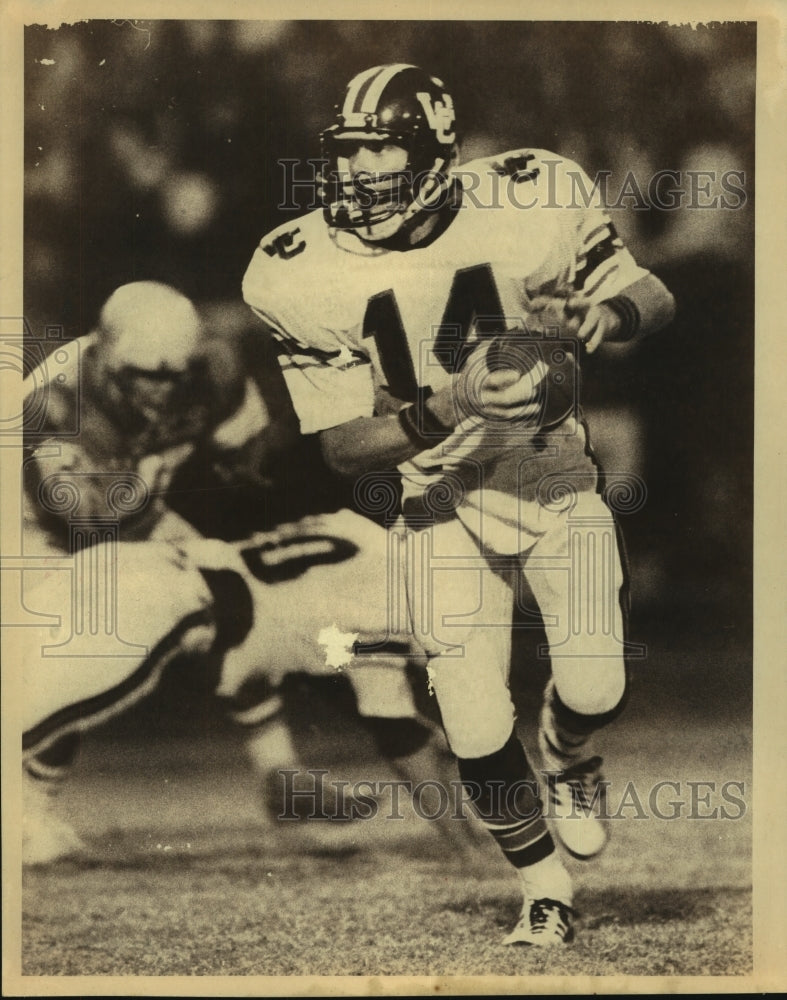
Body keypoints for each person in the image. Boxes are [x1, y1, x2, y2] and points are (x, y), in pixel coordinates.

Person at [242, 63, 675, 946]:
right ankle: (543, 890)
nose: (356, 174)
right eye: (347, 153)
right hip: (434, 494)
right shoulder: (296, 266)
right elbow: (338, 447)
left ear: (433, 152)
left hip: (549, 474)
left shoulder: (530, 194)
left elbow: (650, 292)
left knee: (596, 680)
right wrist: (444, 407)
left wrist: (609, 320)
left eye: (378, 152)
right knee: (471, 712)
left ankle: (570, 753)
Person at [19, 280, 432, 863]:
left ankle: (280, 774)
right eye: (145, 376)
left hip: (128, 504)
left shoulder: (212, 370)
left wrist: (262, 506)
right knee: (82, 650)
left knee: (231, 599)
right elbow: (88, 521)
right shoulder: (56, 403)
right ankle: (27, 811)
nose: (161, 390)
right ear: (107, 357)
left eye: (172, 376)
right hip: (32, 524)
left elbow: (253, 462)